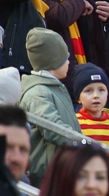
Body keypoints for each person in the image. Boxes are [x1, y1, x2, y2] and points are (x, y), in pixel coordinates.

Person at [19, 30, 79, 185]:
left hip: (61, 170)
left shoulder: (52, 88)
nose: (69, 62)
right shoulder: (38, 93)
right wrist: (84, 145)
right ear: (53, 62)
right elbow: (53, 129)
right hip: (48, 176)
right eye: (65, 58)